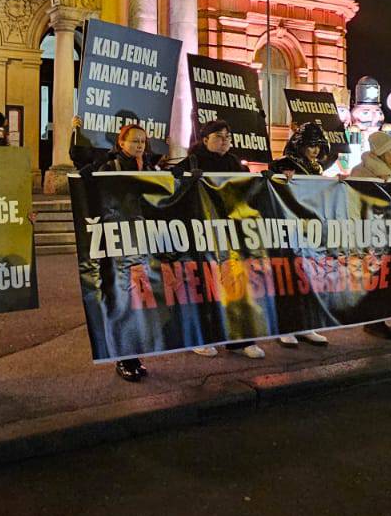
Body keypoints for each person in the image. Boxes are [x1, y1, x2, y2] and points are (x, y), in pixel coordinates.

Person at [178, 120, 277, 359]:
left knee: (238, 285)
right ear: (205, 139)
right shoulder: (191, 162)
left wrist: (264, 178)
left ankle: (241, 339)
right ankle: (202, 337)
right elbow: (169, 187)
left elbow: (248, 189)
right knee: (205, 286)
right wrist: (187, 179)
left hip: (232, 235)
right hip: (202, 235)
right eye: (219, 136)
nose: (225, 141)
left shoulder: (233, 162)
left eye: (228, 136)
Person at [83, 122, 166, 380]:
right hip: (119, 243)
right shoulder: (109, 166)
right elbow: (91, 190)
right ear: (121, 143)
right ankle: (124, 358)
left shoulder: (151, 168)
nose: (139, 145)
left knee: (140, 300)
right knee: (123, 298)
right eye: (134, 141)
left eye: (142, 141)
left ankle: (135, 356)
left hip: (142, 243)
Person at [267, 124, 334, 347]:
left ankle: (306, 325)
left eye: (317, 146)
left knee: (309, 279)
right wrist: (280, 177)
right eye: (310, 145)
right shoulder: (282, 164)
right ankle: (284, 328)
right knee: (287, 279)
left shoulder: (316, 168)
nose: (314, 150)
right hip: (287, 231)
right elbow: (270, 188)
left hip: (310, 231)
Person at [345, 129, 391, 340]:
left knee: (388, 276)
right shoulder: (360, 172)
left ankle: (380, 317)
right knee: (374, 277)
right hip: (371, 235)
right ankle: (373, 321)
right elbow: (353, 201)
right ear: (380, 153)